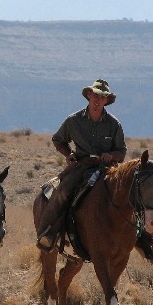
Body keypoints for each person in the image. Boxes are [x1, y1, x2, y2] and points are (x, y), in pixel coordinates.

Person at [36, 78, 125, 251]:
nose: (97, 99)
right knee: (61, 193)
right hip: (81, 167)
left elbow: (121, 152)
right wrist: (68, 154)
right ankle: (48, 234)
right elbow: (58, 140)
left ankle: (142, 239)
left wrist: (111, 155)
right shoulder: (73, 120)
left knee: (131, 193)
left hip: (106, 169)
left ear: (106, 100)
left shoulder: (114, 124)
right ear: (89, 95)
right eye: (95, 95)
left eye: (102, 96)